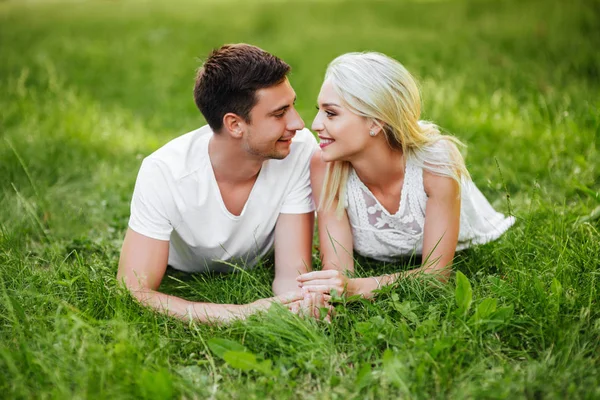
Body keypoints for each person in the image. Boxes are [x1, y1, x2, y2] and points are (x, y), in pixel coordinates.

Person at [118, 44, 328, 323]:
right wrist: (241, 314)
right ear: (235, 125)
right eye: (279, 114)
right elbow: (133, 290)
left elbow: (291, 274)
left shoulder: (298, 148)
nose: (299, 123)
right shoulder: (164, 172)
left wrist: (301, 305)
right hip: (186, 267)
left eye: (293, 105)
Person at [297, 52, 515, 298]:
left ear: (375, 122)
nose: (314, 124)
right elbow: (338, 272)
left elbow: (435, 276)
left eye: (331, 113)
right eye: (320, 110)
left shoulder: (435, 163)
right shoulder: (325, 164)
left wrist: (357, 288)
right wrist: (328, 293)